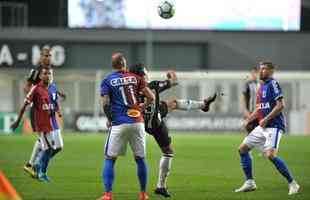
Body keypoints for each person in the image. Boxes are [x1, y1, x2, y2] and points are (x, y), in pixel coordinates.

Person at [129, 63, 217, 198]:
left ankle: (203, 105)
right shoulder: (153, 85)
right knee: (168, 152)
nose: (147, 75)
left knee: (173, 104)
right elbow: (174, 81)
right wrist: (171, 76)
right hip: (155, 123)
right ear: (142, 75)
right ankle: (161, 186)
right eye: (145, 73)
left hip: (141, 120)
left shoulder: (128, 90)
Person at [235, 62, 300, 195]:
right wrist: (248, 120)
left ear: (271, 71)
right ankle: (250, 182)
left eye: (264, 69)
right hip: (262, 126)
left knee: (270, 155)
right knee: (242, 149)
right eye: (261, 68)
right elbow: (259, 108)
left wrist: (266, 119)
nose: (261, 71)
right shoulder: (261, 87)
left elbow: (281, 105)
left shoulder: (273, 84)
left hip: (274, 126)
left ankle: (293, 183)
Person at [98, 53, 155, 200]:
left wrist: (110, 118)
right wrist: (141, 108)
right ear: (125, 63)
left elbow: (105, 104)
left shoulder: (107, 80)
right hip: (137, 122)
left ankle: (108, 195)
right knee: (140, 158)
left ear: (113, 65)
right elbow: (151, 97)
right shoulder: (136, 78)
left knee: (110, 158)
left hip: (119, 122)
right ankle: (143, 194)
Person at [22, 48, 64, 179]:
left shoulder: (50, 70)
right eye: (46, 55)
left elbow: (49, 87)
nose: (48, 57)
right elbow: (26, 87)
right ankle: (33, 165)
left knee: (53, 143)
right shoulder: (36, 71)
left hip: (48, 109)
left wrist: (57, 94)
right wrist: (35, 96)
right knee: (45, 140)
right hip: (38, 110)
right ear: (41, 57)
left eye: (50, 55)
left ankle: (33, 164)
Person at [11, 66, 56, 182]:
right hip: (41, 124)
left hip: (48, 123)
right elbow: (25, 104)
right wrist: (17, 121)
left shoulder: (47, 89)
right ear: (40, 76)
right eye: (44, 73)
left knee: (51, 147)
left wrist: (52, 110)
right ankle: (40, 172)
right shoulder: (36, 88)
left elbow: (47, 105)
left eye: (48, 73)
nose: (47, 75)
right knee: (49, 148)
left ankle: (36, 168)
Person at [241, 67, 259, 133]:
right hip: (249, 111)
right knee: (249, 131)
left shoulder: (260, 84)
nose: (254, 74)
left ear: (257, 74)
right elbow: (243, 97)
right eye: (252, 73)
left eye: (255, 73)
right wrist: (245, 109)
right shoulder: (247, 84)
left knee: (258, 132)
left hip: (258, 112)